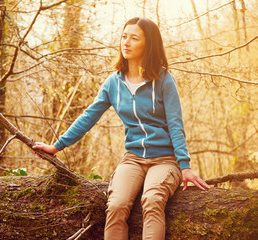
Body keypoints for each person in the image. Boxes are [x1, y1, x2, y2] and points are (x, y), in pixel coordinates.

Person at [33, 17, 210, 240]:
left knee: (152, 201)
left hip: (165, 160)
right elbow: (89, 117)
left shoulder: (164, 80)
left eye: (134, 38)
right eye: (124, 36)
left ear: (149, 44)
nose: (126, 42)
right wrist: (57, 146)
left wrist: (184, 165)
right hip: (133, 159)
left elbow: (176, 124)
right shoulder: (113, 84)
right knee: (116, 205)